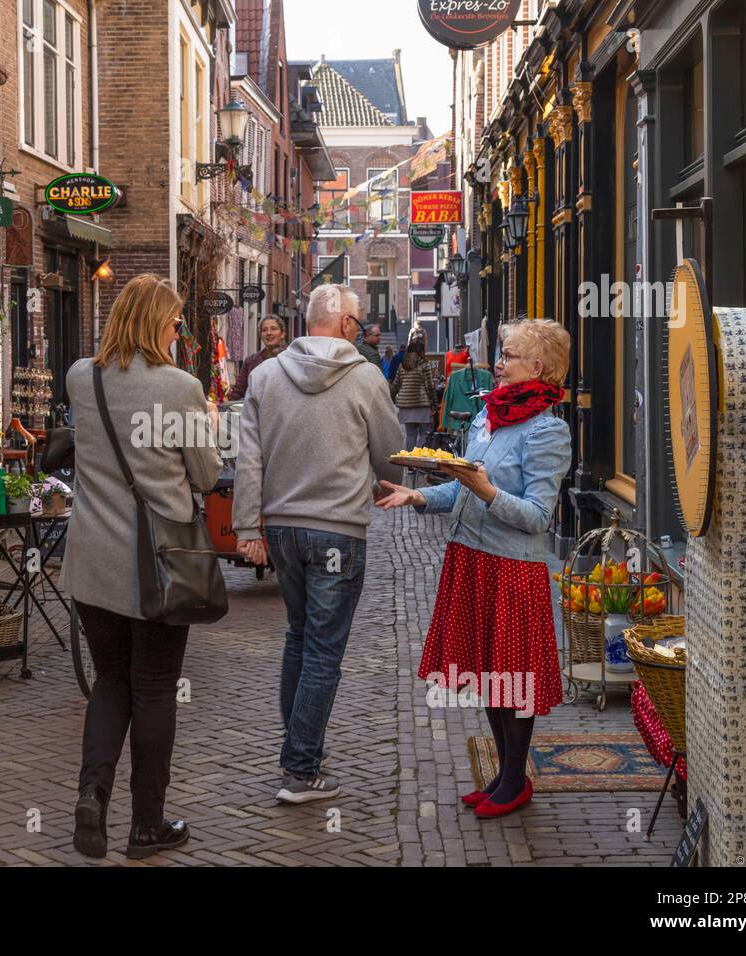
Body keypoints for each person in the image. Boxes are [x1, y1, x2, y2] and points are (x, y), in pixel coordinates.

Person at [377, 318, 572, 819]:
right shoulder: (488, 417)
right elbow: (465, 483)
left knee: (515, 678)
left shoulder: (548, 430)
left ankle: (514, 779)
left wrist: (488, 492)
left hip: (512, 568)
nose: (498, 362)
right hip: (470, 557)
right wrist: (420, 493)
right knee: (489, 674)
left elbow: (537, 517)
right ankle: (504, 775)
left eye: (508, 355)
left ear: (540, 367)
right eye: (501, 353)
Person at [62, 274, 223, 859]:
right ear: (157, 323)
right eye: (176, 322)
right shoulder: (180, 388)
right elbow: (206, 476)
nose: (179, 332)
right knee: (155, 691)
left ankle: (91, 797)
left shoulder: (82, 377)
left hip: (91, 565)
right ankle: (146, 825)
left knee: (110, 683)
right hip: (159, 567)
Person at [232, 283, 407, 803]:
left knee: (299, 637)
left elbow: (249, 460)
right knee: (324, 652)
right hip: (337, 532)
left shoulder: (264, 376)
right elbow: (390, 456)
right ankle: (301, 768)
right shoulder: (366, 377)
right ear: (349, 326)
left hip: (283, 530)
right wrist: (374, 475)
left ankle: (299, 745)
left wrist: (246, 528)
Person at [391, 336, 439, 450]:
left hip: (405, 406)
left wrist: (391, 398)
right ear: (421, 351)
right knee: (425, 433)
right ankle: (417, 460)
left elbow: (396, 385)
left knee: (410, 435)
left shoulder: (402, 365)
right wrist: (435, 405)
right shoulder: (424, 365)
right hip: (422, 405)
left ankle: (410, 464)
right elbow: (430, 387)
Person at [227, 315, 287, 400]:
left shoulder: (290, 359)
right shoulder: (251, 361)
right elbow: (238, 391)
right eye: (264, 330)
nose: (269, 333)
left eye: (273, 329)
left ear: (283, 334)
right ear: (260, 335)